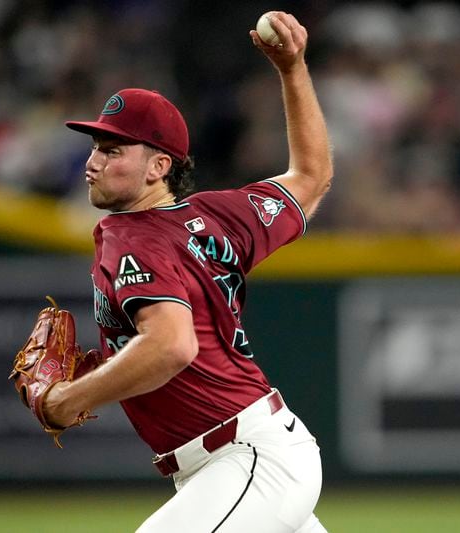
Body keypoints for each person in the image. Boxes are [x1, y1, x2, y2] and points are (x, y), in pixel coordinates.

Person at [44, 11, 332, 533]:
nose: (93, 161)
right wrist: (293, 70)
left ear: (159, 167)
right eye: (94, 147)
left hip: (246, 462)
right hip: (248, 460)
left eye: (113, 151)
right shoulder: (220, 214)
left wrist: (69, 399)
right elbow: (311, 177)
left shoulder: (132, 236)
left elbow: (172, 346)